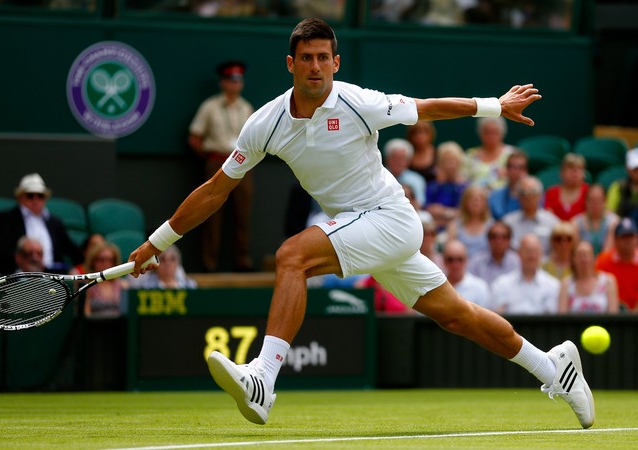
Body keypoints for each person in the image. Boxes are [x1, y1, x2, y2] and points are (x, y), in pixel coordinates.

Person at [129, 18, 593, 429]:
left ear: (336, 62)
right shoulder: (263, 124)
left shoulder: (359, 102)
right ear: (290, 63)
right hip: (359, 228)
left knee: (292, 256)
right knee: (458, 316)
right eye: (306, 58)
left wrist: (494, 104)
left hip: (391, 219)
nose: (315, 66)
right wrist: (157, 242)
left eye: (323, 58)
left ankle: (263, 380)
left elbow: (427, 107)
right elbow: (215, 189)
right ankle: (555, 368)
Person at [188, 60, 255, 272]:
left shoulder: (246, 108)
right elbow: (195, 136)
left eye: (238, 80)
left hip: (242, 163)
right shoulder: (210, 106)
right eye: (230, 80)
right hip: (217, 161)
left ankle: (241, 260)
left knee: (242, 214)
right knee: (211, 213)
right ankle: (209, 263)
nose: (234, 84)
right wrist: (209, 158)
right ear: (223, 82)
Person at [0, 173, 83, 275]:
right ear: (20, 197)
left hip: (52, 276)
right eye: (30, 196)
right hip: (17, 275)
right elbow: (1, 252)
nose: (35, 200)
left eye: (40, 196)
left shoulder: (55, 222)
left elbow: (72, 250)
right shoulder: (6, 218)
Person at [490, 234, 560, 315]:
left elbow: (552, 319)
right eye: (528, 251)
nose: (532, 256)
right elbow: (497, 316)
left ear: (541, 254)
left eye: (535, 251)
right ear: (519, 253)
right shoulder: (501, 284)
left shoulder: (553, 285)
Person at [502, 175, 559, 255]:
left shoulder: (552, 222)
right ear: (518, 196)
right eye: (524, 193)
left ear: (540, 195)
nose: (528, 197)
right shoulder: (507, 222)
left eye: (532, 193)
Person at [558, 240, 619, 314]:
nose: (584, 259)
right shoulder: (566, 284)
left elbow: (613, 316)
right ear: (573, 259)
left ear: (594, 258)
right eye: (580, 255)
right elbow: (562, 317)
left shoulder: (608, 281)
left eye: (587, 255)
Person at [595, 217, 638, 312]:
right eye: (624, 237)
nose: (628, 241)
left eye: (630, 236)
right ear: (616, 240)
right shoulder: (603, 261)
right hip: (610, 314)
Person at [424, 141, 468, 231]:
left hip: (461, 230)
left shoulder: (465, 187)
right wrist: (452, 213)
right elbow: (430, 210)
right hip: (435, 229)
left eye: (453, 161)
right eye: (446, 161)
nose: (450, 165)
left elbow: (467, 213)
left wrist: (443, 212)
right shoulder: (434, 187)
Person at [462, 116, 515, 190]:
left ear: (502, 133)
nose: (491, 136)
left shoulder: (512, 154)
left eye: (495, 132)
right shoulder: (470, 155)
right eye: (487, 132)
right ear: (480, 133)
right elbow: (462, 181)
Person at [83, 242, 127, 318]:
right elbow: (86, 314)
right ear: (93, 262)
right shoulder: (87, 287)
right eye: (101, 259)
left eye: (110, 260)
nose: (106, 263)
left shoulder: (123, 285)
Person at [446, 184, 493, 257]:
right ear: (465, 202)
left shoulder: (492, 226)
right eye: (472, 198)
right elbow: (449, 253)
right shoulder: (454, 226)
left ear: (485, 203)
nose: (476, 202)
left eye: (480, 199)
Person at [469, 220, 521, 286]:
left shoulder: (517, 262)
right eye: (494, 236)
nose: (498, 241)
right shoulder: (476, 262)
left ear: (509, 241)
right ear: (488, 240)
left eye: (503, 237)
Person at [442, 240, 491, 309]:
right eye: (450, 259)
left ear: (466, 260)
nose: (455, 264)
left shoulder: (480, 287)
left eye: (460, 259)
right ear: (444, 261)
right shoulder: (435, 286)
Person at [572, 184, 618, 256]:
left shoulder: (613, 221)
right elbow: (577, 252)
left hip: (604, 263)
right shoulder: (576, 222)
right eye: (592, 200)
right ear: (586, 201)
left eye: (599, 200)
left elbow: (607, 251)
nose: (595, 203)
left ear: (605, 201)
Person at [126, 244, 197, 289]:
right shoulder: (146, 286)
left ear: (178, 263)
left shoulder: (190, 286)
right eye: (163, 259)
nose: (168, 263)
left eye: (172, 259)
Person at [544, 153, 589, 221]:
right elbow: (546, 218)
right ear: (562, 172)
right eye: (571, 168)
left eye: (579, 168)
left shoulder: (589, 192)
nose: (575, 171)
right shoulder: (551, 193)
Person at [383, 138, 426, 207]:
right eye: (394, 158)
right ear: (387, 159)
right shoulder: (379, 176)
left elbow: (420, 204)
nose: (398, 162)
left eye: (402, 159)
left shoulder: (417, 179)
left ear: (409, 161)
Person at [488, 149, 528, 220]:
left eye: (520, 167)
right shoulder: (495, 196)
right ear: (506, 169)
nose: (515, 171)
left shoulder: (534, 196)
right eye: (512, 166)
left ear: (526, 171)